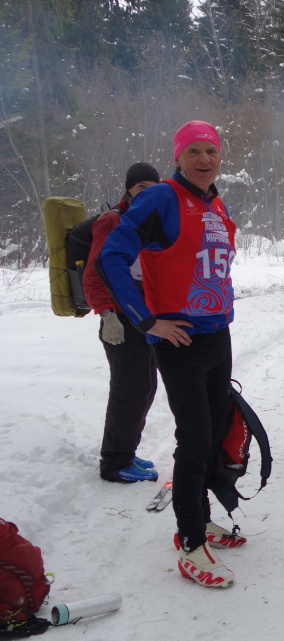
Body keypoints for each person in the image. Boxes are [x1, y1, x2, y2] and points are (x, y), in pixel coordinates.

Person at [96, 120, 244, 589]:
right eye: (195, 151)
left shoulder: (215, 201)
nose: (205, 159)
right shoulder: (160, 197)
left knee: (215, 430)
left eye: (212, 151)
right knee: (196, 438)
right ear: (178, 156)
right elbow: (112, 257)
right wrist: (145, 320)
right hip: (178, 340)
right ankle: (188, 541)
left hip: (217, 336)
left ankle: (199, 520)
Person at [84, 162, 162, 483]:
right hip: (118, 318)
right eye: (141, 187)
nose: (147, 192)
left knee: (146, 387)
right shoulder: (112, 220)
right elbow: (94, 273)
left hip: (144, 318)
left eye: (153, 187)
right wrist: (106, 314)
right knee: (128, 390)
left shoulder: (150, 222)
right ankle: (114, 463)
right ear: (129, 189)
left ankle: (126, 452)